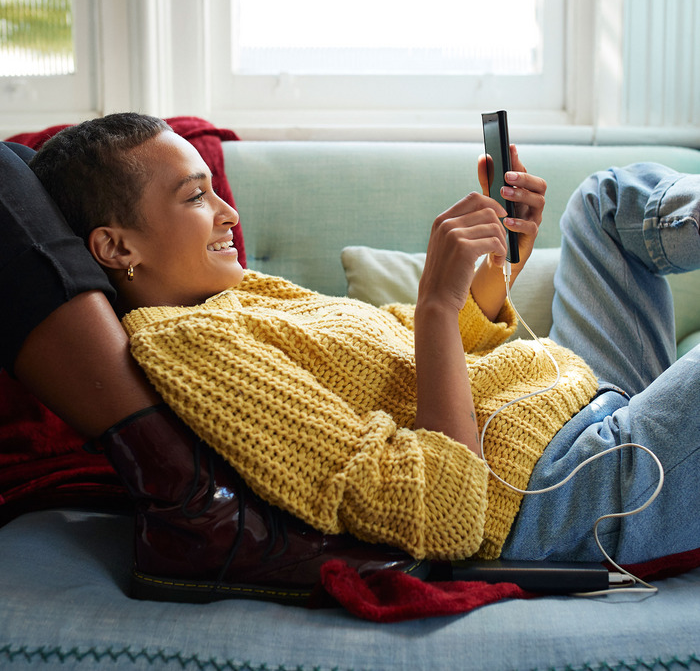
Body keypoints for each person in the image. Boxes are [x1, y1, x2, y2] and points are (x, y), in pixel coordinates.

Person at [3, 113, 700, 603]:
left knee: (604, 201)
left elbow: (407, 354)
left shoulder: (242, 296)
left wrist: (492, 269)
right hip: (578, 492)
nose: (230, 214)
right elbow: (440, 512)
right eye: (196, 197)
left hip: (590, 407)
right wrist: (432, 306)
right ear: (116, 248)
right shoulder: (190, 343)